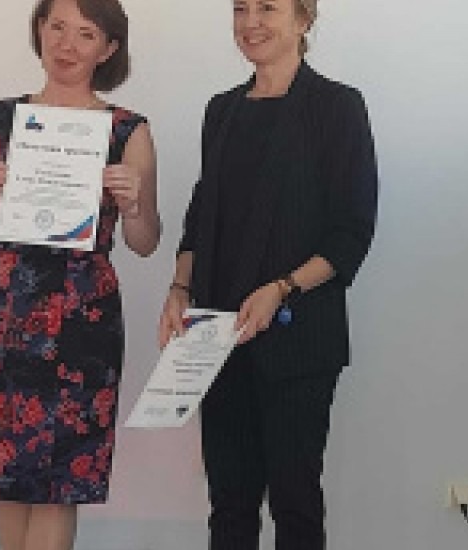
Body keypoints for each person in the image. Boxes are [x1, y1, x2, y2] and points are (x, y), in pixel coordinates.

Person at [158, 0, 378, 548]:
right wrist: (179, 289)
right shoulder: (221, 111)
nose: (250, 22)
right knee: (229, 506)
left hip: (299, 341)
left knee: (294, 504)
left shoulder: (337, 107)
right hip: (217, 337)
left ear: (303, 19)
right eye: (240, 8)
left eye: (267, 8)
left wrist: (282, 287)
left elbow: (351, 231)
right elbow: (200, 216)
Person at [0, 0, 159, 548]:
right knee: (6, 475)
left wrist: (133, 206)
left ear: (108, 48)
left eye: (86, 34)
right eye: (57, 27)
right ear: (39, 30)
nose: (67, 45)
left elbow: (145, 243)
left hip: (80, 321)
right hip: (1, 313)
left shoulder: (127, 131)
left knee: (59, 482)